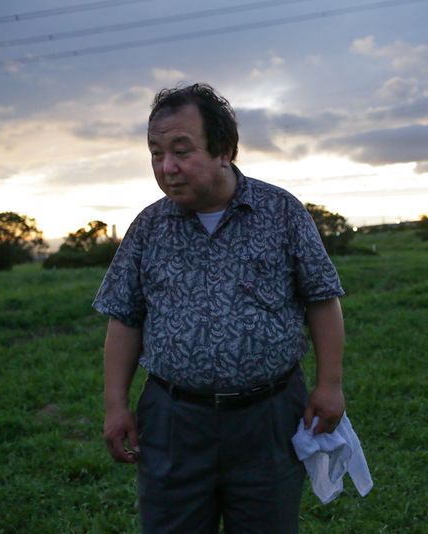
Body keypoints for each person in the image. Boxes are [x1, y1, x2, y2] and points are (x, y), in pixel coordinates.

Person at [92, 83, 346, 533]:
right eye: (156, 153)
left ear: (225, 149)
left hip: (268, 417)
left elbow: (322, 300)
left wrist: (329, 385)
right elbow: (125, 318)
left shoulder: (281, 212)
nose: (167, 167)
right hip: (174, 421)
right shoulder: (149, 227)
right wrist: (115, 405)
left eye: (181, 150)